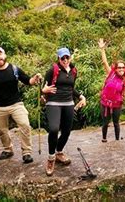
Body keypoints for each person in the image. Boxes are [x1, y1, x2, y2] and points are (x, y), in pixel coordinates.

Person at [42, 47, 86, 176]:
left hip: (68, 103)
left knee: (67, 131)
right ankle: (51, 158)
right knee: (54, 129)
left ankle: (59, 152)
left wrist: (80, 96)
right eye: (63, 58)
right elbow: (44, 89)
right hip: (53, 103)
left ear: (70, 57)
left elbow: (71, 88)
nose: (65, 60)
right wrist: (43, 91)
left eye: (67, 57)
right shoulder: (52, 71)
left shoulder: (73, 71)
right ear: (59, 59)